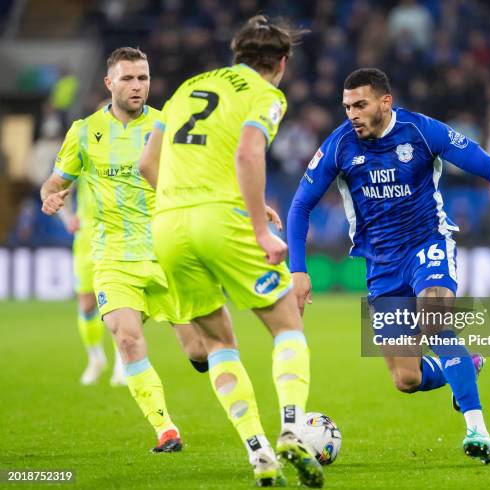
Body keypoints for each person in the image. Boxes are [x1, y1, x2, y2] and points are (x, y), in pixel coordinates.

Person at [287, 68, 490, 465]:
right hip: (381, 264)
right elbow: (300, 206)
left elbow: (488, 167)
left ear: (385, 101)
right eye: (347, 106)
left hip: (427, 244)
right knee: (407, 379)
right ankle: (465, 365)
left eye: (361, 105)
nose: (352, 113)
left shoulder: (422, 132)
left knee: (435, 319)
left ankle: (477, 429)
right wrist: (298, 269)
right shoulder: (339, 146)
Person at [139, 16, 323, 487]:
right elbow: (247, 152)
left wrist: (193, 201)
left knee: (219, 343)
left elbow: (147, 163)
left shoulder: (184, 89)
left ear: (236, 54)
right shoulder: (265, 95)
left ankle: (258, 454)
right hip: (219, 219)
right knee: (287, 323)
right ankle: (290, 430)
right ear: (281, 63)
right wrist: (260, 229)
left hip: (168, 224)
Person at [40, 47, 209, 453]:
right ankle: (165, 429)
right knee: (128, 340)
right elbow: (54, 182)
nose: (138, 86)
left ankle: (208, 363)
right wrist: (51, 197)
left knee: (200, 352)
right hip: (113, 257)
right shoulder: (84, 131)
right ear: (109, 83)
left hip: (166, 253)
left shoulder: (168, 126)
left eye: (144, 78)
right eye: (129, 79)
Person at [59, 177, 125, 385]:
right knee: (87, 304)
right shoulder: (84, 147)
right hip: (86, 239)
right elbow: (59, 185)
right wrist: (67, 217)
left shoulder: (127, 149)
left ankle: (122, 365)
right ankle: (96, 358)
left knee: (118, 302)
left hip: (117, 237)